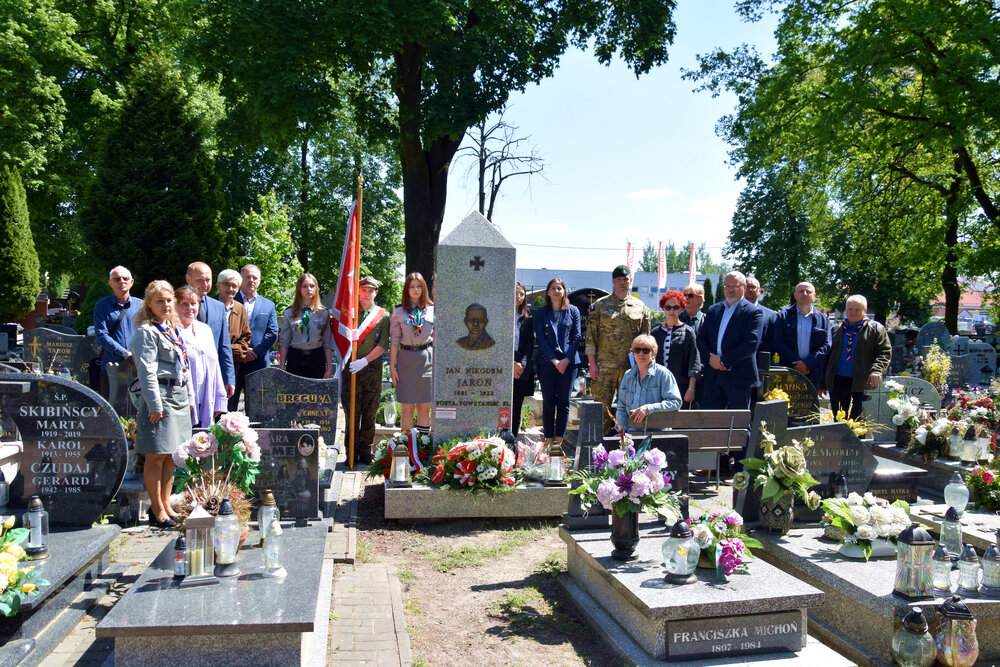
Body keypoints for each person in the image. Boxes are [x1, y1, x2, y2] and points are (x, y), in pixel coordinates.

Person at [130, 280, 194, 528]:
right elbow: (146, 371)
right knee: (156, 456)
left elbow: (184, 368)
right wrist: (154, 404)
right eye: (160, 301)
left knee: (171, 455)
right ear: (149, 304)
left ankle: (167, 504)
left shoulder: (173, 330)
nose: (166, 304)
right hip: (160, 397)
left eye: (169, 300)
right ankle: (157, 511)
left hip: (177, 396)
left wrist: (188, 400)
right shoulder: (147, 332)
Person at [586, 265, 652, 433]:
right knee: (601, 411)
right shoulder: (600, 306)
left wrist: (643, 369)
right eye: (619, 280)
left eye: (626, 279)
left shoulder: (641, 307)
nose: (623, 283)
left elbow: (646, 342)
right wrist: (592, 364)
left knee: (629, 410)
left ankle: (626, 451)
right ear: (613, 281)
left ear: (630, 280)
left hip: (630, 370)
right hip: (604, 369)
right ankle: (598, 451)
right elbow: (591, 337)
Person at [696, 271, 764, 410]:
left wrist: (724, 361)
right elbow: (702, 338)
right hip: (713, 375)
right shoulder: (714, 310)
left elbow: (751, 343)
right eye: (727, 286)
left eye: (735, 286)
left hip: (738, 376)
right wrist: (711, 359)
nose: (730, 290)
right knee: (712, 422)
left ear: (744, 288)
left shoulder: (753, 312)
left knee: (739, 424)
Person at [341, 276, 390, 464]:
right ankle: (350, 451)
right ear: (358, 291)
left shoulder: (383, 316)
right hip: (351, 368)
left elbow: (383, 344)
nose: (367, 293)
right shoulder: (349, 313)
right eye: (363, 290)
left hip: (371, 368)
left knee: (369, 412)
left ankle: (366, 451)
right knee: (351, 412)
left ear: (376, 292)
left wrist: (364, 361)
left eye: (371, 290)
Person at [825, 295, 892, 419]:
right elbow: (827, 356)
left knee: (857, 422)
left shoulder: (876, 329)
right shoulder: (836, 329)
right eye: (850, 309)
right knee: (839, 420)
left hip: (861, 383)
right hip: (837, 382)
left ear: (865, 311)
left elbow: (884, 352)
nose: (853, 312)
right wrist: (822, 384)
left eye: (857, 309)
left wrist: (877, 370)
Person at [534, 279, 581, 446]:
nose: (556, 291)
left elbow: (576, 337)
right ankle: (548, 442)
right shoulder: (540, 312)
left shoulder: (573, 311)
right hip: (547, 363)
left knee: (564, 403)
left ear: (564, 292)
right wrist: (554, 360)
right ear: (547, 292)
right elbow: (540, 337)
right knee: (548, 402)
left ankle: (558, 444)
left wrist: (566, 360)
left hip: (568, 364)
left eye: (559, 288)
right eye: (552, 288)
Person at [175, 285, 227, 427]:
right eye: (184, 304)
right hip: (181, 400)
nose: (189, 308)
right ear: (175, 306)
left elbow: (215, 364)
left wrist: (219, 398)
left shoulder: (205, 330)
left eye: (193, 303)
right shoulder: (171, 331)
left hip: (205, 397)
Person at [389, 272, 435, 431]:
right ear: (406, 289)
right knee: (407, 410)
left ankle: (422, 449)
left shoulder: (433, 310)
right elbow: (394, 341)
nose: (415, 290)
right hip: (406, 361)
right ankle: (406, 449)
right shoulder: (398, 312)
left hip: (427, 361)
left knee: (424, 408)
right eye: (412, 287)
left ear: (424, 289)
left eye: (419, 287)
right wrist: (391, 367)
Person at [185, 262, 235, 397]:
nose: (205, 284)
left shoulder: (218, 307)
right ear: (188, 279)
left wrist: (229, 378)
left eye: (208, 280)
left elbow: (224, 345)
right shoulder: (178, 305)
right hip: (186, 374)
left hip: (211, 374)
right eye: (200, 280)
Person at [233, 264, 279, 408]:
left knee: (258, 408)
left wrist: (255, 352)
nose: (251, 280)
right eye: (248, 277)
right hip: (234, 363)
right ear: (241, 279)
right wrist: (242, 352)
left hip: (258, 363)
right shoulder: (229, 301)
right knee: (230, 406)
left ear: (259, 281)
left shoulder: (268, 305)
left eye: (255, 278)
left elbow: (272, 333)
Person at [93, 265, 142, 399]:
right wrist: (124, 352)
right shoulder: (101, 306)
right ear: (110, 283)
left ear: (131, 282)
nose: (121, 281)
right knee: (109, 407)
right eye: (117, 279)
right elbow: (101, 335)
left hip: (137, 366)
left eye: (125, 278)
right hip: (111, 365)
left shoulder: (142, 306)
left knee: (136, 408)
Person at [616, 334, 682, 431]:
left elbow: (675, 402)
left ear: (653, 354)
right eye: (637, 350)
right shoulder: (628, 375)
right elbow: (621, 407)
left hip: (657, 434)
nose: (641, 354)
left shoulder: (663, 374)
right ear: (633, 353)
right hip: (631, 434)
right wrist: (622, 431)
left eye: (646, 351)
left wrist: (649, 408)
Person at [773, 281, 832, 383]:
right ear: (795, 295)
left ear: (814, 296)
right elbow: (777, 342)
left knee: (811, 400)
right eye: (801, 291)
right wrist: (796, 364)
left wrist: (807, 364)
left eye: (808, 292)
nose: (804, 294)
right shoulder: (783, 317)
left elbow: (827, 345)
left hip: (813, 372)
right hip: (788, 371)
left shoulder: (823, 320)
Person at [651, 290, 700, 408]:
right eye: (668, 307)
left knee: (679, 422)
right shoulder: (654, 332)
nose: (671, 311)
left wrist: (691, 388)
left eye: (676, 307)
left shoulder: (688, 332)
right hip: (657, 386)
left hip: (680, 386)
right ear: (663, 308)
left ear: (681, 309)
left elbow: (694, 361)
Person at [279, 273, 333, 379]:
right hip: (295, 358)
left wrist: (329, 367)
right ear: (299, 289)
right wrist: (281, 368)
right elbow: (284, 342)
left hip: (316, 358)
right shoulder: (289, 312)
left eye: (312, 286)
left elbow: (327, 343)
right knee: (295, 394)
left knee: (316, 394)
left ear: (316, 288)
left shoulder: (324, 313)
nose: (309, 289)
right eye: (305, 286)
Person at [215, 269, 252, 410]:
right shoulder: (208, 305)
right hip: (211, 367)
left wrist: (224, 350)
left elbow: (245, 339)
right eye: (226, 284)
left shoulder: (240, 309)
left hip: (232, 367)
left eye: (234, 286)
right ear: (218, 285)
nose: (230, 289)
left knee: (228, 407)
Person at [512, 282, 535, 436]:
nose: (519, 297)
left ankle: (513, 441)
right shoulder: (500, 314)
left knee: (516, 407)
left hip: (520, 366)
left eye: (522, 294)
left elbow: (529, 344)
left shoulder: (527, 317)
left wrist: (521, 364)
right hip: (505, 365)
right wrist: (510, 364)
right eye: (516, 293)